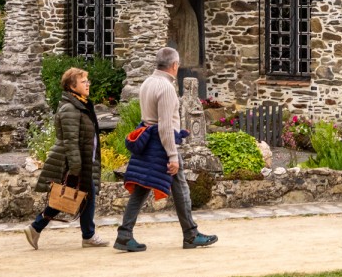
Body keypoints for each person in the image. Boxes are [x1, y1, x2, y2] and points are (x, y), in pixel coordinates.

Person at [114, 47, 218, 251]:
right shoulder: (166, 87)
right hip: (162, 144)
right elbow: (164, 126)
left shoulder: (147, 82)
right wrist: (172, 156)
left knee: (143, 187)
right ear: (175, 65)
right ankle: (190, 234)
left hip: (148, 140)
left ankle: (125, 234)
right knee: (179, 187)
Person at [25, 67, 106, 249]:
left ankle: (39, 228)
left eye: (87, 81)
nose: (88, 84)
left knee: (79, 196)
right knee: (76, 195)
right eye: (83, 81)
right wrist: (75, 167)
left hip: (83, 160)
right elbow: (70, 140)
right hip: (74, 162)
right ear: (72, 86)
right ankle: (87, 235)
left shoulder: (80, 104)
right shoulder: (71, 107)